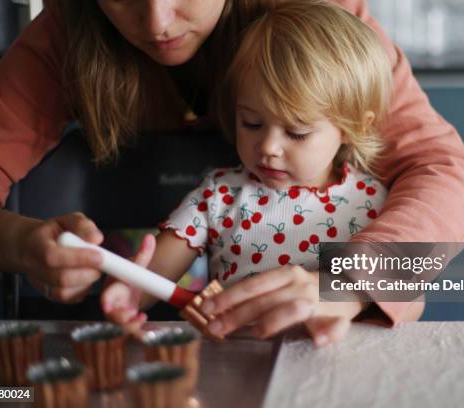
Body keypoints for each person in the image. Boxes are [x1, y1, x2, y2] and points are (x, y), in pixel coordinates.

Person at [0, 0, 464, 329]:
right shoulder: (65, 31)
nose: (157, 21)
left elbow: (438, 169)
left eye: (296, 131)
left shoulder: (322, 21)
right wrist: (21, 245)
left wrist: (350, 281)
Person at [102, 0, 392, 345]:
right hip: (234, 359)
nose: (268, 146)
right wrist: (128, 293)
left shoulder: (374, 203)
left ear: (354, 125)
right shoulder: (218, 195)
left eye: (296, 132)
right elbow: (154, 273)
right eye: (251, 123)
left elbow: (410, 301)